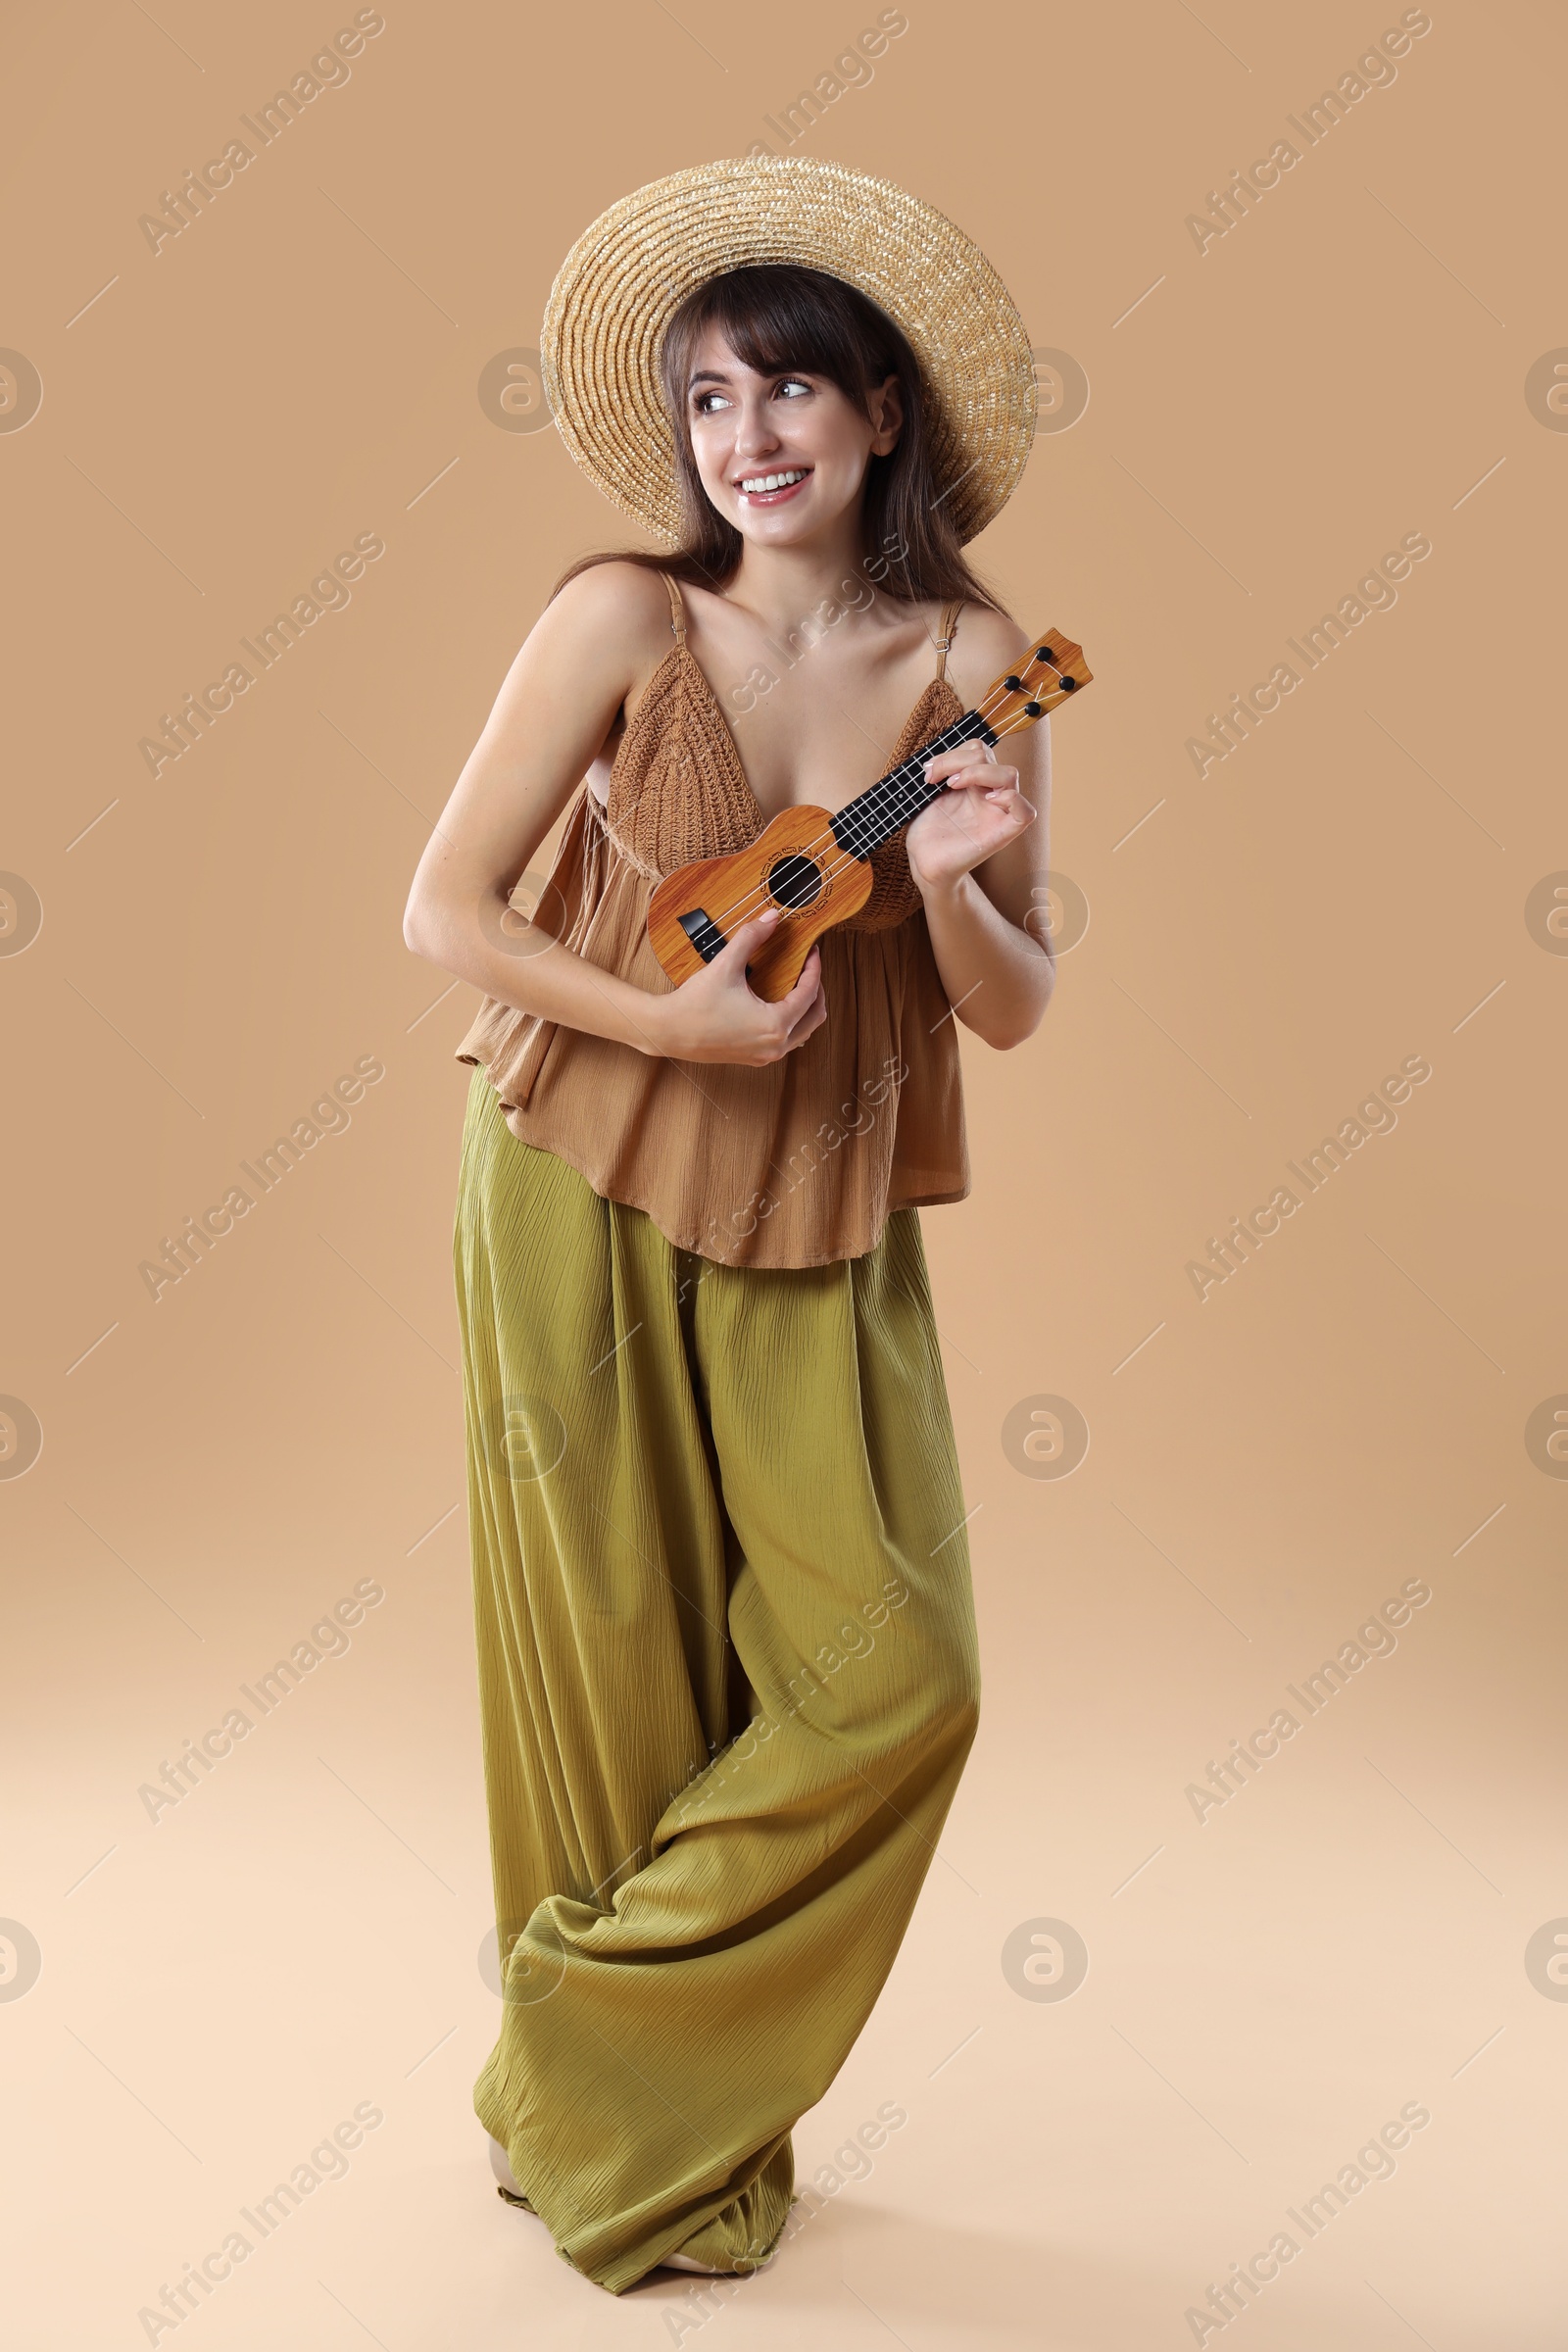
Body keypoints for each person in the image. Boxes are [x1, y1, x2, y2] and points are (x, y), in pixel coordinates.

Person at [402, 156, 1054, 2294]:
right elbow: (446, 914)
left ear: (881, 414)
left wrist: (954, 878)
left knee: (895, 1673)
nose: (745, 440)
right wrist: (669, 1019)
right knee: (605, 1634)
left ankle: (579, 2038)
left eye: (786, 393)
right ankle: (628, 2138)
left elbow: (1012, 1007)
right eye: (706, 403)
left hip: (825, 1186)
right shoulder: (620, 616)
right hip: (571, 1157)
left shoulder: (972, 651)